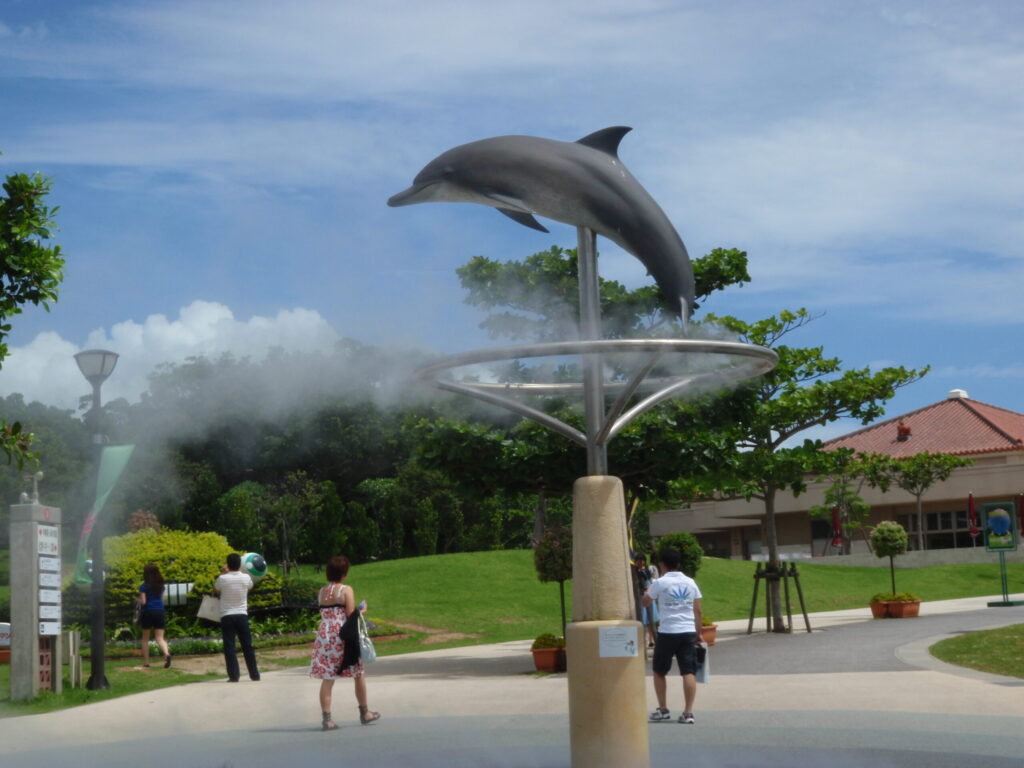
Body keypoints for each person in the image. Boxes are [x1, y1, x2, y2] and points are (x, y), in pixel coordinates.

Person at [310, 555, 381, 731]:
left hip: (325, 635)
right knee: (358, 672)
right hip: (343, 635)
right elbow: (350, 615)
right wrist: (361, 610)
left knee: (328, 677)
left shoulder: (322, 591)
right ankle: (365, 713)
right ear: (344, 573)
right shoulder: (345, 590)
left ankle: (327, 719)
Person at [643, 546, 703, 725]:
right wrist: (698, 634)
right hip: (688, 631)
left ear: (662, 564)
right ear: (678, 563)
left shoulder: (661, 583)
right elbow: (698, 610)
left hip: (668, 631)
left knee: (659, 670)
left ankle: (663, 709)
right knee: (688, 671)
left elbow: (645, 601)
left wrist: (650, 588)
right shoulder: (691, 582)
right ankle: (688, 712)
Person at [213, 552, 260, 682]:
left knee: (229, 646)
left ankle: (234, 675)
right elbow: (249, 587)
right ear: (240, 564)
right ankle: (254, 674)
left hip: (227, 615)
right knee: (247, 645)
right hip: (242, 614)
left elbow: (215, 589)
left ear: (227, 564)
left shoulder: (222, 579)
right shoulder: (246, 578)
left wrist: (223, 573)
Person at [138, 562, 171, 668]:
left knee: (145, 639)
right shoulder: (161, 586)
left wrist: (137, 601)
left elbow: (143, 602)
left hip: (148, 612)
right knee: (160, 638)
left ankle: (146, 662)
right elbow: (161, 599)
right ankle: (166, 654)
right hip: (160, 611)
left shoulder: (144, 586)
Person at [635, 555, 659, 648]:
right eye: (638, 560)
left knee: (651, 619)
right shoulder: (635, 572)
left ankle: (651, 639)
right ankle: (644, 639)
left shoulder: (648, 570)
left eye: (642, 560)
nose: (640, 562)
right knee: (643, 619)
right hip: (642, 595)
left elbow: (650, 581)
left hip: (649, 594)